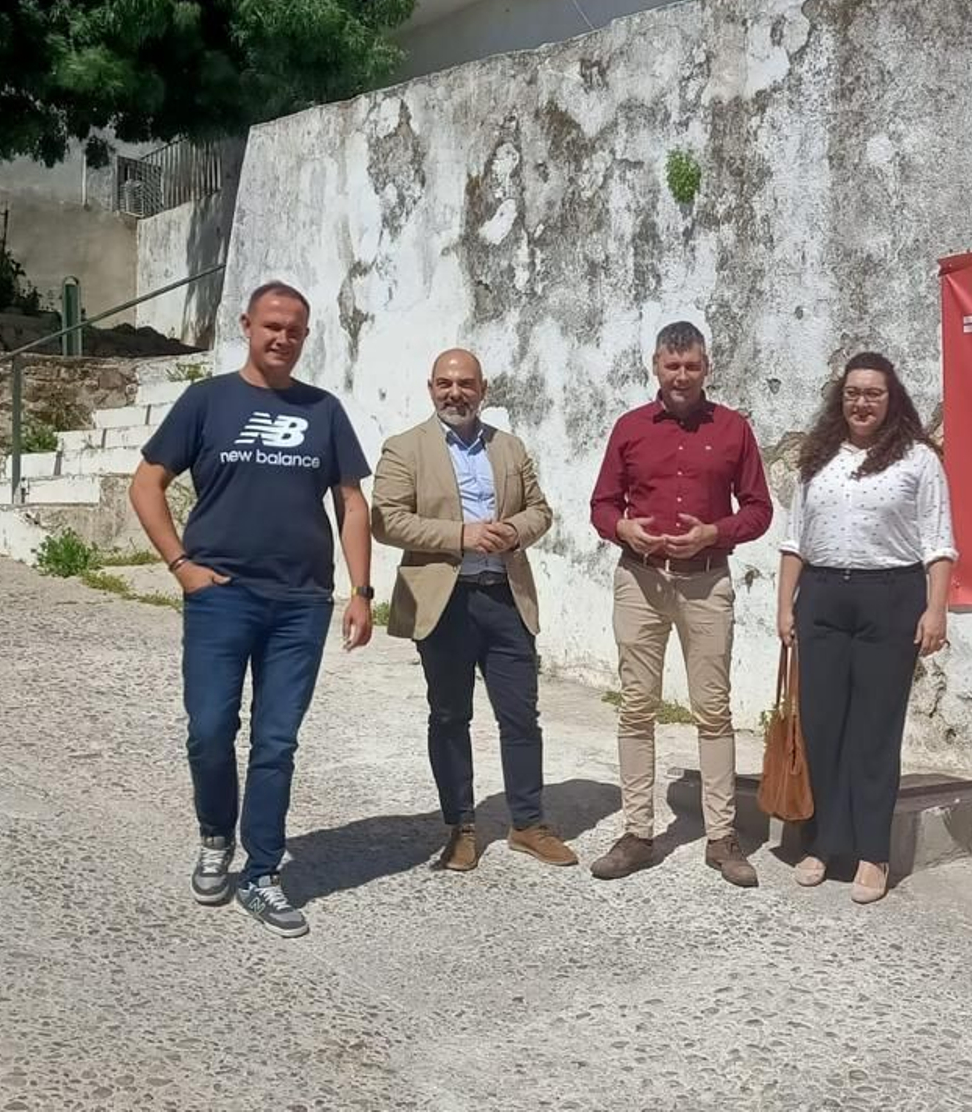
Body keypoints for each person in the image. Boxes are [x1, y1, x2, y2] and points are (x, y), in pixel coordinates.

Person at [129, 281, 375, 939]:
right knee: (210, 728)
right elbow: (147, 483)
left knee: (276, 740)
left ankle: (262, 871)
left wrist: (361, 591)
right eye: (271, 325)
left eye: (295, 329)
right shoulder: (208, 401)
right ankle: (216, 833)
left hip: (300, 604)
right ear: (246, 325)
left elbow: (352, 503)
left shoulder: (323, 410)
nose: (282, 338)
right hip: (221, 598)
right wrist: (182, 567)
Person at [371, 349, 576, 872]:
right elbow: (387, 520)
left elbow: (541, 510)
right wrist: (461, 536)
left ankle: (528, 824)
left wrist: (516, 531)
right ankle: (460, 827)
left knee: (520, 718)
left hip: (505, 597)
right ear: (431, 387)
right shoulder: (405, 448)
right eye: (444, 383)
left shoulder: (508, 448)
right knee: (449, 716)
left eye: (465, 384)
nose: (454, 393)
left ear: (483, 389)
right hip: (445, 602)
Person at [587, 321, 773, 886]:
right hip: (640, 581)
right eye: (673, 366)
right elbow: (600, 505)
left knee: (713, 711)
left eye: (692, 365)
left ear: (706, 366)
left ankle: (721, 837)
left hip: (706, 581)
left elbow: (759, 509)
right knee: (636, 707)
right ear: (656, 367)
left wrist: (713, 533)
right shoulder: (630, 428)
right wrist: (624, 529)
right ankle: (638, 833)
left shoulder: (735, 429)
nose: (682, 376)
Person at [775, 351, 956, 905]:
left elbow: (939, 541)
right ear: (841, 397)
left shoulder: (919, 460)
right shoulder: (818, 458)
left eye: (873, 393)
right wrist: (785, 607)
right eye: (853, 392)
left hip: (891, 598)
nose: (862, 402)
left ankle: (873, 854)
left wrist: (936, 609)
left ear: (891, 397)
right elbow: (795, 539)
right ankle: (822, 844)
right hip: (824, 598)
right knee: (823, 726)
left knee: (875, 733)